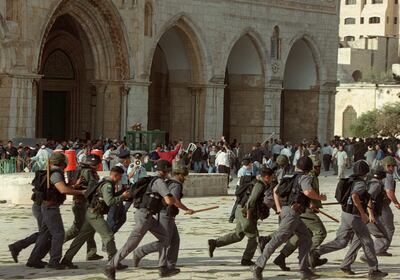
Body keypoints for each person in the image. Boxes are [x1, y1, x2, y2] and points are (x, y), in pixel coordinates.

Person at [251, 156, 327, 280]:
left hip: (291, 213)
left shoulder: (289, 176)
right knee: (277, 240)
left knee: (306, 238)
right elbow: (308, 192)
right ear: (308, 168)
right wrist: (320, 198)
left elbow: (275, 191)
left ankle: (304, 270)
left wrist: (279, 209)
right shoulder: (305, 177)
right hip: (292, 214)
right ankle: (258, 266)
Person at [311, 160, 388, 279]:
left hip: (346, 214)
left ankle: (316, 252)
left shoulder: (350, 180)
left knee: (342, 241)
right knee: (367, 242)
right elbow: (355, 196)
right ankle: (374, 270)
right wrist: (363, 213)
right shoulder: (361, 183)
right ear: (366, 172)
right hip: (355, 217)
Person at [104, 159, 177, 280]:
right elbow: (169, 200)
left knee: (165, 237)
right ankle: (110, 266)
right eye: (168, 171)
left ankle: (163, 268)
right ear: (165, 171)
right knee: (131, 244)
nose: (169, 173)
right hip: (144, 216)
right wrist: (174, 200)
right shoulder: (159, 182)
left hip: (146, 215)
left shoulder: (151, 179)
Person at [61, 166, 131, 269]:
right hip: (95, 215)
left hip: (90, 213)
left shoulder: (105, 182)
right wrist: (123, 197)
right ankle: (114, 262)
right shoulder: (108, 185)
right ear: (115, 175)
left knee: (81, 238)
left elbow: (107, 197)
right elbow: (109, 201)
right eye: (120, 177)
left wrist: (121, 192)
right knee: (108, 236)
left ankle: (66, 260)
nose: (120, 179)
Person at [26, 153, 86, 269]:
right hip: (51, 207)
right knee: (58, 234)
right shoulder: (56, 173)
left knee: (44, 234)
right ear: (62, 163)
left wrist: (72, 185)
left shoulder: (50, 172)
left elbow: (59, 188)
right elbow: (62, 190)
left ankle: (34, 260)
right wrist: (81, 192)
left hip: (47, 206)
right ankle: (54, 262)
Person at [132, 164, 195, 271]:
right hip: (165, 214)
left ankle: (170, 264)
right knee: (165, 240)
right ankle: (139, 252)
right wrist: (187, 209)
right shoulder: (176, 185)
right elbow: (174, 200)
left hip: (166, 214)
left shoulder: (169, 182)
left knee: (175, 240)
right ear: (178, 174)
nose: (185, 178)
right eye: (184, 175)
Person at [209, 167, 275, 266]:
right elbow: (251, 201)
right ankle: (246, 259)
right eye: (272, 177)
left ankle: (215, 243)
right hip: (245, 212)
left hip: (239, 210)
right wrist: (248, 216)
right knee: (253, 237)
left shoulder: (258, 183)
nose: (273, 179)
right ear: (266, 177)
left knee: (238, 235)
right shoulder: (259, 185)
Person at [272, 157, 327, 271]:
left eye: (319, 167)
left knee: (301, 235)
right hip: (304, 209)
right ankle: (308, 256)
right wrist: (314, 202)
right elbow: (307, 192)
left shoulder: (311, 176)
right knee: (320, 232)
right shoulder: (308, 177)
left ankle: (281, 257)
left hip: (301, 209)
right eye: (316, 167)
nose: (318, 169)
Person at [63, 155, 102, 261]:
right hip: (81, 203)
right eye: (97, 164)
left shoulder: (83, 170)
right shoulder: (88, 172)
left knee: (89, 227)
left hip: (81, 202)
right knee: (77, 229)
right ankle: (55, 243)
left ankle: (91, 252)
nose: (98, 165)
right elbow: (92, 187)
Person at [379, 156, 400, 255]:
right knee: (389, 228)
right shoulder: (388, 176)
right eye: (391, 166)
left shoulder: (378, 174)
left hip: (373, 205)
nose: (392, 168)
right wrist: (396, 203)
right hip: (382, 206)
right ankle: (380, 249)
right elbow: (389, 192)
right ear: (387, 166)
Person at [107, 150, 130, 233]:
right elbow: (115, 182)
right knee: (112, 218)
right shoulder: (119, 168)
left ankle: (110, 234)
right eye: (129, 158)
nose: (130, 161)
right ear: (126, 160)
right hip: (116, 196)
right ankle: (108, 237)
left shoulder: (123, 167)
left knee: (122, 217)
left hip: (120, 195)